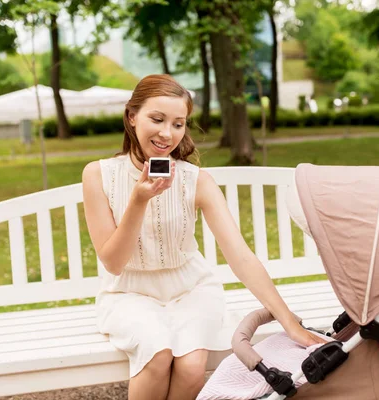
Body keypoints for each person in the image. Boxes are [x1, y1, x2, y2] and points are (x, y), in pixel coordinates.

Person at [82, 74, 324, 400]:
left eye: (178, 123)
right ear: (131, 116)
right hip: (128, 293)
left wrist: (290, 323)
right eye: (157, 119)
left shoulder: (195, 180)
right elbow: (113, 262)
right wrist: (139, 200)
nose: (167, 133)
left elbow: (240, 255)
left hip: (191, 290)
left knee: (192, 367)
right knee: (156, 356)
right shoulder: (98, 175)